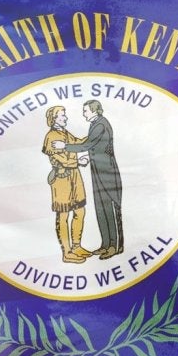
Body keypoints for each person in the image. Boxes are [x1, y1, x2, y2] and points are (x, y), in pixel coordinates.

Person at [62, 99, 123, 258]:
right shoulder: (95, 124)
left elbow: (87, 145)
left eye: (85, 111)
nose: (84, 114)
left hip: (107, 173)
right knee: (101, 209)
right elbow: (95, 147)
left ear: (94, 110)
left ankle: (114, 247)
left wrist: (65, 147)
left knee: (110, 208)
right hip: (97, 171)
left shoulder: (101, 124)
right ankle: (105, 244)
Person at [41, 105, 91, 263]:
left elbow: (78, 142)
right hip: (61, 179)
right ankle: (67, 252)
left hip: (75, 177)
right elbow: (60, 159)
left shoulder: (65, 133)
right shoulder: (51, 136)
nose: (66, 118)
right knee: (63, 215)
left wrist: (94, 134)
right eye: (62, 115)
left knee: (80, 211)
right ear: (54, 119)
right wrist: (79, 161)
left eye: (65, 115)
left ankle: (77, 246)